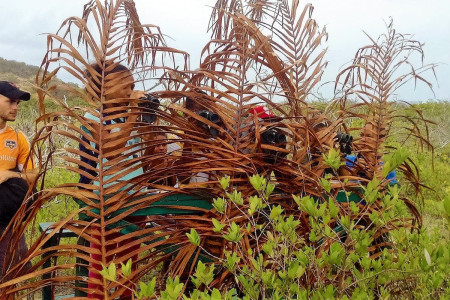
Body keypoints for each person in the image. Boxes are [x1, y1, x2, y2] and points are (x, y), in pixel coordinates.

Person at [0, 81, 37, 278]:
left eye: (18, 103)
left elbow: (32, 175)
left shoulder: (18, 138)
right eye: (10, 101)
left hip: (8, 220)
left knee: (10, 275)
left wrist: (9, 174)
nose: (15, 107)